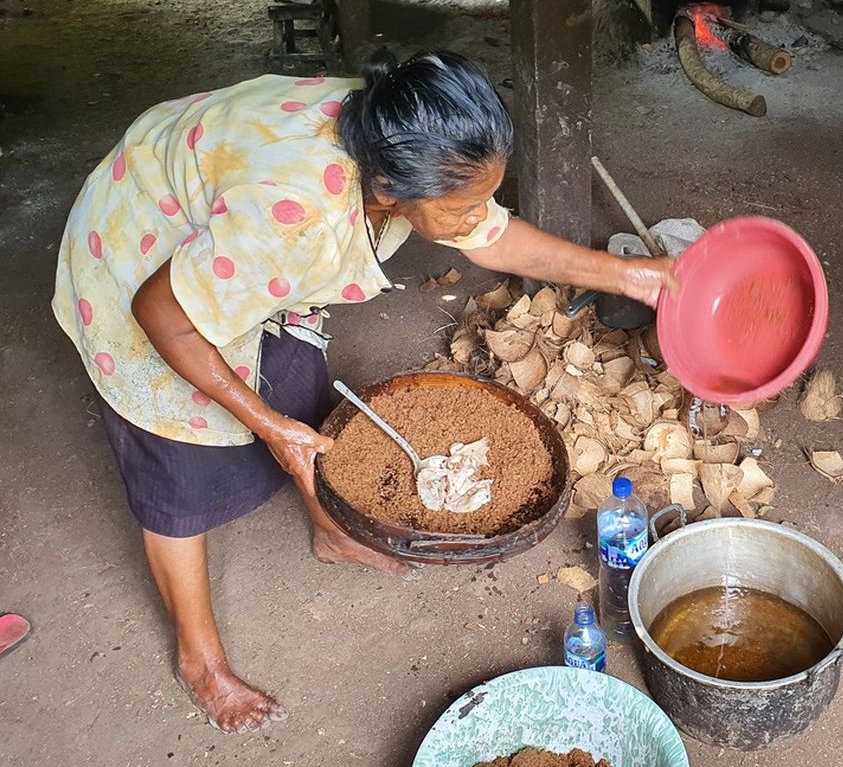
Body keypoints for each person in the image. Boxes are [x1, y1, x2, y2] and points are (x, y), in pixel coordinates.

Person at [51, 50, 675, 734]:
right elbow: (162, 316)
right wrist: (265, 424)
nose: (476, 216)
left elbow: (494, 237)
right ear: (387, 186)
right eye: (460, 205)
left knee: (292, 379)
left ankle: (330, 531)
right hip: (141, 245)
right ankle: (201, 661)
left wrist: (631, 277)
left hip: (224, 209)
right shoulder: (297, 219)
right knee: (183, 457)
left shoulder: (402, 123)